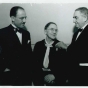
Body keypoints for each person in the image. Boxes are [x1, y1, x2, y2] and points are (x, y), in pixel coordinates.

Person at [0, 6, 32, 85]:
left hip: (25, 77)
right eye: (21, 18)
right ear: (13, 18)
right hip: (9, 78)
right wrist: (3, 68)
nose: (24, 21)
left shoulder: (26, 34)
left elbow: (29, 55)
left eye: (25, 18)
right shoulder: (2, 33)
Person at [56, 7, 88, 85]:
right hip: (75, 74)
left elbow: (82, 53)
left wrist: (65, 47)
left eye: (76, 18)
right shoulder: (76, 34)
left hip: (85, 74)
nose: (73, 21)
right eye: (73, 18)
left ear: (85, 18)